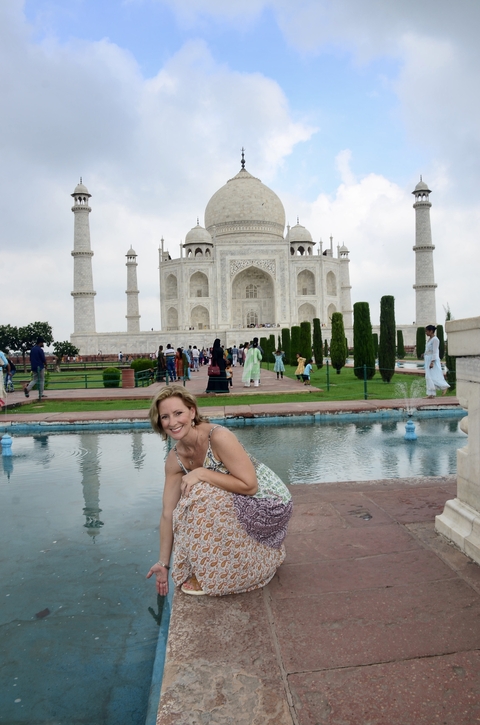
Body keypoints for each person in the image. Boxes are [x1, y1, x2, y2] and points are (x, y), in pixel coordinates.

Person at [146, 386, 292, 596]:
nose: (173, 422)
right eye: (165, 417)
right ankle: (245, 559)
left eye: (179, 413)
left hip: (271, 501)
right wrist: (163, 563)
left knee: (199, 493)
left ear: (192, 412)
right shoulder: (174, 459)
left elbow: (250, 486)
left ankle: (225, 571)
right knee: (187, 501)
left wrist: (203, 473)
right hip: (240, 501)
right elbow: (168, 513)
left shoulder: (218, 436)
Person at [423, 325, 450, 399]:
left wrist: (432, 362)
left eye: (427, 331)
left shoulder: (435, 339)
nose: (426, 332)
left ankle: (444, 386)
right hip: (428, 358)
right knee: (429, 376)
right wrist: (424, 354)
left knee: (434, 375)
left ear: (431, 331)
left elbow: (435, 351)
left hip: (432, 359)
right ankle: (431, 393)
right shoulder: (429, 340)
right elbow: (428, 349)